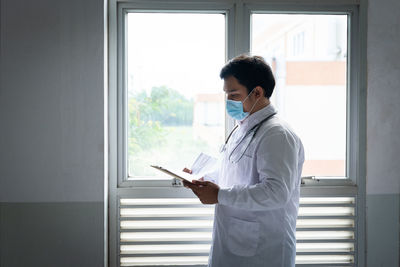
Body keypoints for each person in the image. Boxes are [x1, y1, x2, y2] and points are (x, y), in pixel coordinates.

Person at [184, 54, 304, 267]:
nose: (228, 102)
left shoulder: (277, 134)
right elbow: (234, 172)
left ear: (257, 92)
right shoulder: (243, 128)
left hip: (264, 251)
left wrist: (219, 195)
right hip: (234, 242)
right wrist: (202, 179)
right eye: (226, 94)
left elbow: (276, 193)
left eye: (234, 94)